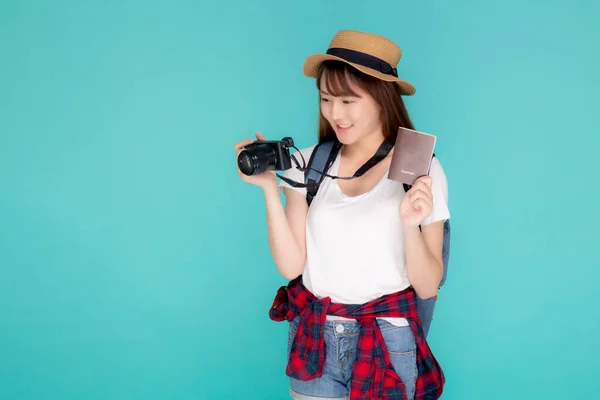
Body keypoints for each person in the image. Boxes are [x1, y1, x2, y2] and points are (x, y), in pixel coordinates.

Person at [234, 30, 450, 400]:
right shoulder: (310, 162)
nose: (335, 113)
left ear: (383, 98)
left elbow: (428, 285)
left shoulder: (419, 166)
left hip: (387, 337)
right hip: (316, 338)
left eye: (349, 100)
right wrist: (271, 190)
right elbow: (291, 266)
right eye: (326, 99)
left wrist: (409, 223)